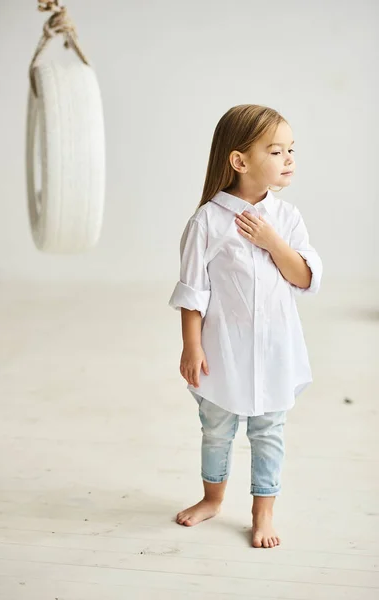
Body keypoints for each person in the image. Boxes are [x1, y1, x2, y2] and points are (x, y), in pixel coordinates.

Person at [168, 104, 323, 548]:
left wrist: (271, 239)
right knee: (216, 427)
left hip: (275, 351)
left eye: (291, 149)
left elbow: (304, 277)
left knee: (268, 431)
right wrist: (191, 347)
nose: (289, 158)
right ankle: (212, 498)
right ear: (239, 161)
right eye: (276, 151)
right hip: (223, 351)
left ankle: (263, 511)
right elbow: (192, 293)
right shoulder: (207, 222)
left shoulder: (288, 219)